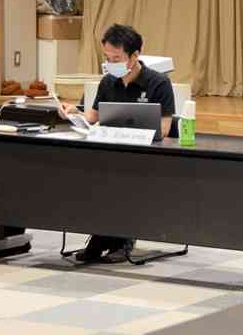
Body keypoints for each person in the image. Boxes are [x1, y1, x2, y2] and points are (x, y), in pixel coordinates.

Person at [58, 24, 176, 263]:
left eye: (117, 58)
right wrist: (72, 113)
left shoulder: (158, 83)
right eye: (107, 58)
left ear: (135, 55)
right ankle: (101, 236)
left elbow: (163, 130)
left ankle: (123, 239)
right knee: (92, 176)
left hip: (145, 155)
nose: (111, 63)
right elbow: (91, 117)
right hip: (112, 151)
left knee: (122, 177)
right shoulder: (107, 82)